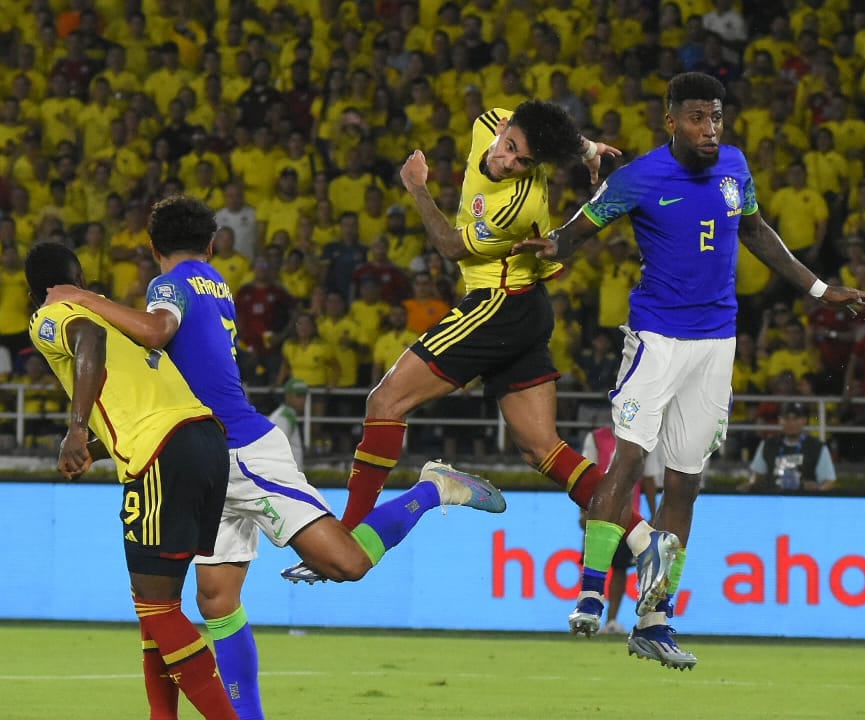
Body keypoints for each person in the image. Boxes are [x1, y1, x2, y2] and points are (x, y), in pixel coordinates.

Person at [47, 196, 507, 720]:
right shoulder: (216, 285)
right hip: (206, 455)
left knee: (346, 564)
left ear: (153, 249)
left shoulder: (169, 285)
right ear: (213, 244)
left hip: (242, 451)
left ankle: (433, 488)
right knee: (216, 601)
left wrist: (83, 296)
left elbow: (157, 331)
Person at [515, 73, 865, 669]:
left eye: (715, 117)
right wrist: (553, 245)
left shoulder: (735, 166)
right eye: (696, 118)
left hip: (717, 344)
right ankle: (591, 587)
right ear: (671, 122)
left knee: (686, 481)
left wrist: (818, 288)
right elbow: (580, 230)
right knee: (629, 457)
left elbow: (756, 231)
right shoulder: (639, 177)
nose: (710, 129)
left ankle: (655, 619)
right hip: (657, 338)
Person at [291, 100, 668, 591]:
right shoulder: (489, 120)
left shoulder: (517, 205)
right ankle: (644, 537)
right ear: (504, 128)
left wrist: (418, 188)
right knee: (543, 450)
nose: (508, 162)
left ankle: (345, 535)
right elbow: (545, 126)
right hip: (528, 307)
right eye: (510, 149)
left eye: (523, 162)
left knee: (385, 402)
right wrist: (589, 147)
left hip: (500, 304)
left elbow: (449, 246)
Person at [25, 241, 238, 719]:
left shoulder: (52, 313)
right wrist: (96, 448)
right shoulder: (120, 322)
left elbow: (87, 343)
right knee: (156, 605)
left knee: (158, 609)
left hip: (161, 452)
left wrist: (76, 428)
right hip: (204, 440)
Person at [580, 424, 662, 635]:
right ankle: (590, 614)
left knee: (620, 568)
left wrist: (653, 513)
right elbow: (586, 473)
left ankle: (612, 620)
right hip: (599, 512)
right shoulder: (596, 438)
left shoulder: (645, 437)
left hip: (628, 515)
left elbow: (649, 478)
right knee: (596, 564)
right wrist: (583, 510)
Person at [739, 402, 837, 492]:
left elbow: (829, 482)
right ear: (780, 420)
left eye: (796, 418)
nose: (791, 423)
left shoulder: (817, 447)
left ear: (804, 421)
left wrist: (817, 489)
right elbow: (757, 478)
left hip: (804, 501)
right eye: (787, 418)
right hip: (774, 501)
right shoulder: (768, 445)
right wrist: (750, 485)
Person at [270, 378, 310, 468]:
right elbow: (277, 449)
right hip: (285, 474)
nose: (303, 400)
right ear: (288, 396)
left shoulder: (288, 415)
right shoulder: (282, 417)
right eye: (299, 396)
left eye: (304, 396)